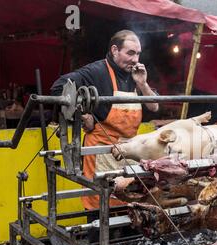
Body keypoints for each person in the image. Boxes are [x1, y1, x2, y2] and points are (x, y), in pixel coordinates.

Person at [51, 30, 159, 210]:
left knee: (130, 205)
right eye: (130, 53)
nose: (135, 59)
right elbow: (58, 88)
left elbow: (154, 107)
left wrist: (142, 83)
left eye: (138, 53)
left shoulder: (136, 74)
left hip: (129, 151)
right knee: (99, 207)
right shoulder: (95, 71)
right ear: (115, 50)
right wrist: (83, 114)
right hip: (100, 151)